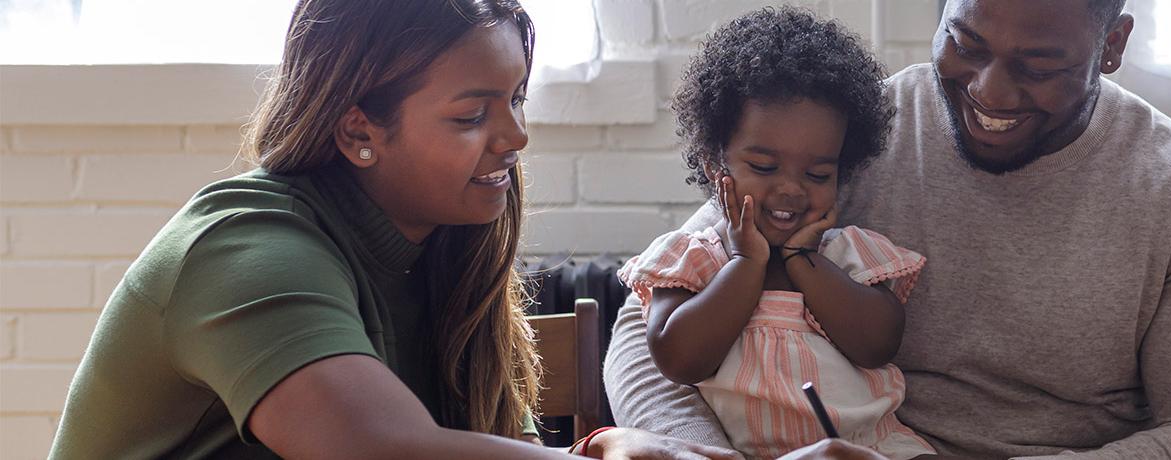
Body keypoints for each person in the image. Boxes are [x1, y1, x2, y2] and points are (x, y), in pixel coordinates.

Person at [603, 0, 1171, 458]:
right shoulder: (854, 132)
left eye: (1038, 66)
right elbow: (645, 327)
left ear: (1112, 45)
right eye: (965, 43)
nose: (990, 92)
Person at [49, 0, 734, 458]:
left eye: (517, 97)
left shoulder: (447, 245)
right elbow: (380, 449)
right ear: (358, 130)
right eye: (472, 115)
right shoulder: (244, 249)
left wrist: (596, 445)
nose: (516, 135)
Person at [616, 8, 931, 459]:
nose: (791, 189)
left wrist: (805, 263)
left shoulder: (850, 255)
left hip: (870, 449)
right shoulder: (695, 262)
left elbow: (878, 345)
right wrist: (747, 264)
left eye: (819, 174)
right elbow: (678, 361)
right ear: (714, 164)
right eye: (764, 167)